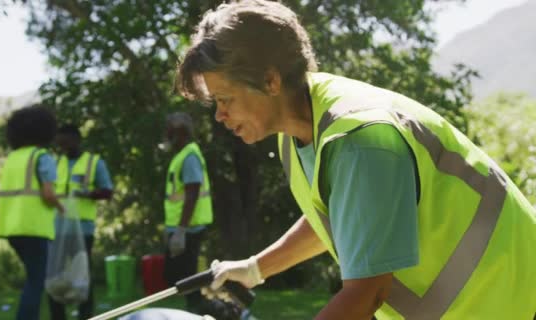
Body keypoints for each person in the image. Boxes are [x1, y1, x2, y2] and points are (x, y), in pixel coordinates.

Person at [174, 1, 536, 319]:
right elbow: (345, 215)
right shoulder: (298, 130)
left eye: (225, 98)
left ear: (270, 81)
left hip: (512, 301)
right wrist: (255, 269)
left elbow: (367, 293)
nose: (219, 116)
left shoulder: (357, 139)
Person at [0, 105, 64, 320]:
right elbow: (48, 194)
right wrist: (62, 208)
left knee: (33, 279)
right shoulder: (41, 157)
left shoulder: (13, 158)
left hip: (12, 228)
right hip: (34, 227)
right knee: (36, 281)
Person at [49, 124, 113, 320]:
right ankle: (58, 315)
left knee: (82, 274)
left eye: (66, 143)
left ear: (77, 140)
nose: (64, 148)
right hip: (57, 228)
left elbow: (107, 191)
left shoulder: (93, 162)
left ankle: (85, 314)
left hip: (82, 229)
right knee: (55, 274)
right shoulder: (56, 163)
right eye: (60, 145)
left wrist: (88, 194)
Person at [161, 112, 214, 314]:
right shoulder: (182, 155)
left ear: (179, 133)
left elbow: (192, 193)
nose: (166, 136)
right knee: (178, 278)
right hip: (182, 227)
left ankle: (207, 312)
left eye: (169, 132)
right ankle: (199, 311)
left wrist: (181, 230)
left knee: (188, 282)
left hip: (189, 229)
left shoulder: (189, 156)